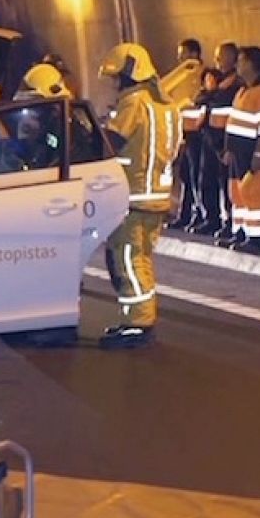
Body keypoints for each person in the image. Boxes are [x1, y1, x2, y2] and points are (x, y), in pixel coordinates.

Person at [98, 42, 181, 349]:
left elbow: (112, 140)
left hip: (132, 196)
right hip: (157, 196)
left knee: (128, 261)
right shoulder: (167, 106)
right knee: (141, 258)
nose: (115, 84)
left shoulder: (134, 103)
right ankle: (139, 319)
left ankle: (138, 324)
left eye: (117, 77)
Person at [219, 46, 260, 255]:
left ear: (252, 64)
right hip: (236, 152)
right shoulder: (243, 90)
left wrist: (259, 154)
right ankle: (240, 232)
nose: (237, 65)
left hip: (250, 151)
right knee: (237, 193)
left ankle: (255, 238)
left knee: (251, 194)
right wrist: (227, 149)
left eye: (241, 61)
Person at [194, 43, 242, 236]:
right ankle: (211, 218)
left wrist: (213, 93)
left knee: (226, 183)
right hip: (209, 135)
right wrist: (213, 91)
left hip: (225, 138)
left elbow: (220, 100)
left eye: (221, 56)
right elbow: (199, 98)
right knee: (205, 179)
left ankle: (230, 221)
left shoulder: (238, 82)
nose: (218, 60)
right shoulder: (214, 76)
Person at [160, 40, 207, 229]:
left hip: (196, 132)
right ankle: (185, 214)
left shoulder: (201, 75)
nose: (179, 58)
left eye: (183, 54)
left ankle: (197, 214)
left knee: (196, 176)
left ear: (194, 54)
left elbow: (194, 103)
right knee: (185, 175)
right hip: (181, 131)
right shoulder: (180, 76)